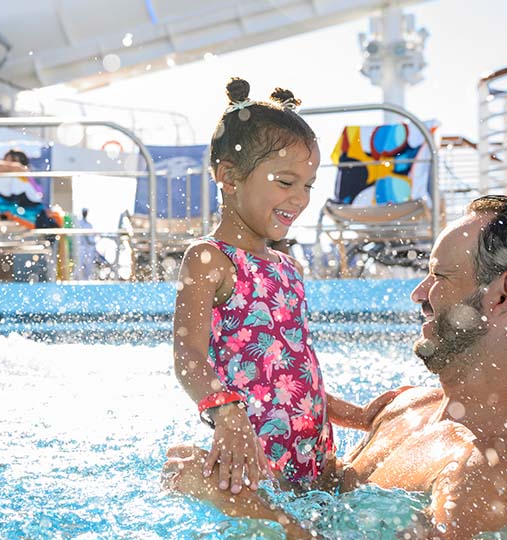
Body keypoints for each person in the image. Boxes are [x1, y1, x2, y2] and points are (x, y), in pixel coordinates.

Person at [164, 193, 507, 540]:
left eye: (440, 276)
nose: (419, 293)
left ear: (501, 295)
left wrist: (240, 505)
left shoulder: (500, 477)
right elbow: (328, 497)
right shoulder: (407, 408)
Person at [172, 77, 397, 497]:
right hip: (254, 463)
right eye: (285, 182)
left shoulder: (290, 269)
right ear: (229, 176)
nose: (300, 199)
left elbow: (292, 374)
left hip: (317, 460)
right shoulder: (210, 259)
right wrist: (227, 414)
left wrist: (359, 416)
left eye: (308, 185)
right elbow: (188, 357)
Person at [0, 149, 60, 230]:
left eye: (13, 160)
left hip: (28, 211)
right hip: (4, 209)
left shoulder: (26, 175)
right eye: (6, 160)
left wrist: (6, 167)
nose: (8, 164)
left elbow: (20, 168)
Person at [73, 207, 97, 280]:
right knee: (80, 263)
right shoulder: (79, 223)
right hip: (81, 246)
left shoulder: (89, 225)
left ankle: (87, 278)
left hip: (89, 247)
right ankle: (78, 278)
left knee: (88, 265)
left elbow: (91, 237)